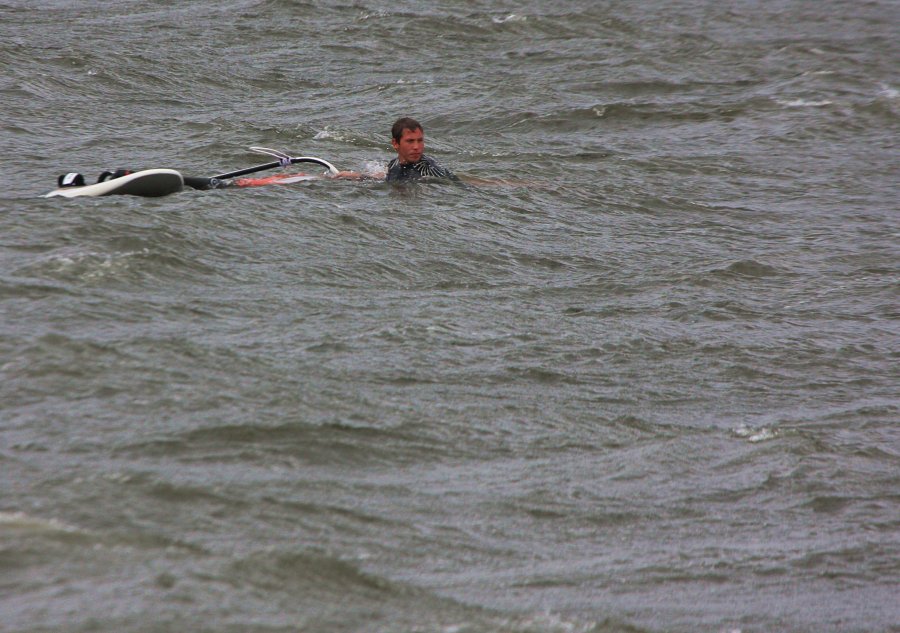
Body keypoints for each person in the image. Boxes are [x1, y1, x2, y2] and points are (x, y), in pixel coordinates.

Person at [334, 117, 458, 183]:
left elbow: (455, 184)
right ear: (395, 143)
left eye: (420, 141)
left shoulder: (428, 168)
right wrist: (354, 176)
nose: (416, 147)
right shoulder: (393, 164)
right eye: (410, 141)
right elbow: (385, 177)